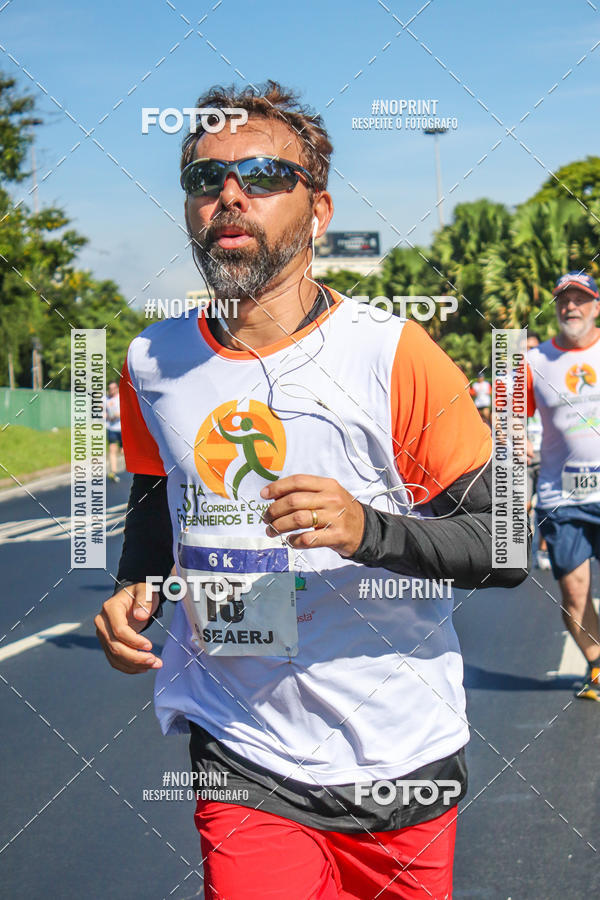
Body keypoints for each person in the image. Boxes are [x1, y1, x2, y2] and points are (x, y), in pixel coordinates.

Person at [95, 81, 527, 898]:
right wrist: (135, 589)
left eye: (261, 176)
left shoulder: (393, 354)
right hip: (240, 749)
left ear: (317, 210)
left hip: (399, 761)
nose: (229, 195)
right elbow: (157, 498)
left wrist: (367, 527)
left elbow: (504, 544)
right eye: (205, 178)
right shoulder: (153, 361)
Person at [527, 271, 600, 701]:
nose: (570, 306)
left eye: (580, 299)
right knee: (574, 592)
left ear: (596, 307)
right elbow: (508, 418)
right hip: (562, 496)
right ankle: (596, 663)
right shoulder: (535, 362)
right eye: (564, 300)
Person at [525, 333, 550, 569]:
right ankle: (522, 550)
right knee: (524, 505)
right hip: (522, 456)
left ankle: (542, 550)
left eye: (532, 348)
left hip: (548, 454)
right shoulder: (510, 381)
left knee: (545, 505)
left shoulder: (550, 377)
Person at [104, 380, 122, 482]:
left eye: (113, 388)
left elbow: (125, 412)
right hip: (111, 428)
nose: (112, 390)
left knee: (123, 451)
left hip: (122, 428)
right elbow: (102, 410)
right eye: (110, 389)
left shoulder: (121, 398)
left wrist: (115, 415)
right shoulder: (105, 399)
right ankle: (113, 472)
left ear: (117, 388)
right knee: (112, 450)